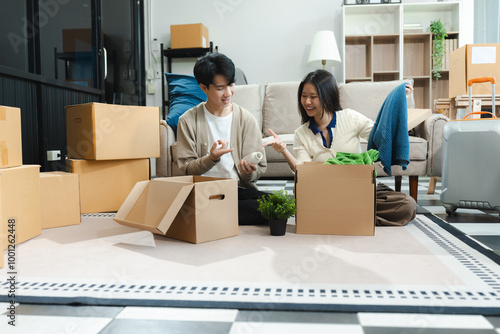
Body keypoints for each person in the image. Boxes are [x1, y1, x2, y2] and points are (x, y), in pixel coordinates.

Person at [264, 69, 417, 226]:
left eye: (313, 97)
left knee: (407, 205)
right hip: (325, 194)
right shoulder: (301, 133)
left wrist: (399, 101)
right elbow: (302, 171)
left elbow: (381, 135)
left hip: (358, 191)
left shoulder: (350, 117)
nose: (307, 102)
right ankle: (354, 217)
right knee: (306, 200)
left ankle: (344, 216)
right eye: (304, 96)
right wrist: (283, 151)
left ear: (327, 97)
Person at [176, 52, 268, 225]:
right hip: (202, 192)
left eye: (231, 84)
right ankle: (213, 214)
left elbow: (258, 171)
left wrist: (248, 173)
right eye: (220, 88)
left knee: (277, 205)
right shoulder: (187, 121)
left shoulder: (246, 119)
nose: (228, 93)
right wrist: (211, 159)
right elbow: (186, 169)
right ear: (204, 88)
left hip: (235, 190)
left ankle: (211, 216)